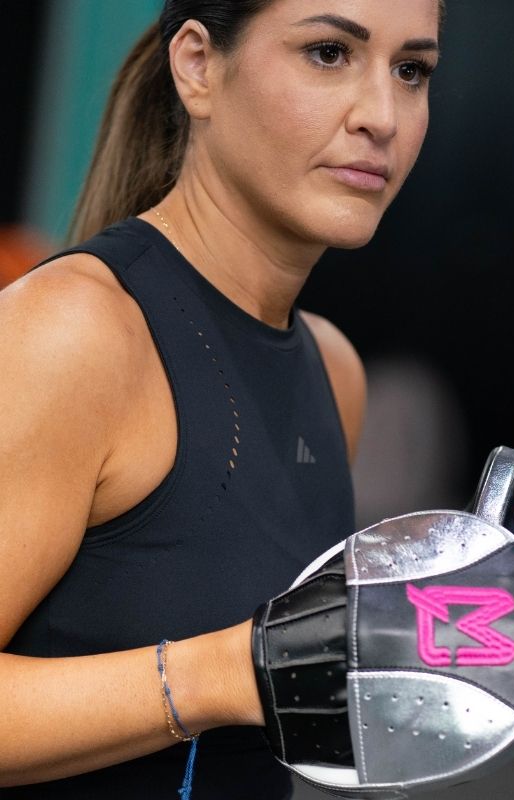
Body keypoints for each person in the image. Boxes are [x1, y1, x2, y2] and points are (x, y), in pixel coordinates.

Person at [0, 0, 444, 796]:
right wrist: (226, 672)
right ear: (198, 65)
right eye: (329, 53)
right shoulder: (78, 330)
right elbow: (240, 677)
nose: (382, 115)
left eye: (411, 70)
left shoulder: (333, 369)